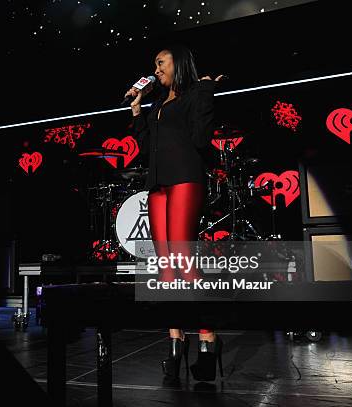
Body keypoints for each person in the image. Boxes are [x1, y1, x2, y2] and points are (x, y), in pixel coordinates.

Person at [125, 45, 224, 381]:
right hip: (158, 184)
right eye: (154, 63)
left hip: (185, 178)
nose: (155, 68)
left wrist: (207, 90)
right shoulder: (157, 103)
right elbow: (145, 146)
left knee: (183, 258)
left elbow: (201, 136)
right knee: (165, 267)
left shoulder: (195, 93)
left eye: (160, 62)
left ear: (178, 64)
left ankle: (208, 340)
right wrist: (138, 111)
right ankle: (175, 345)